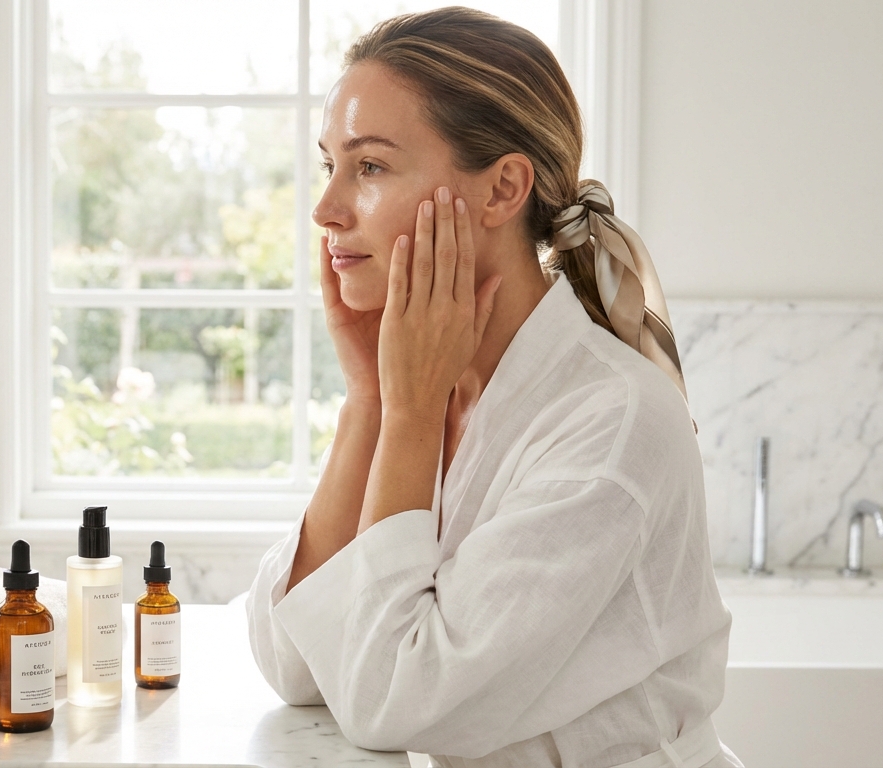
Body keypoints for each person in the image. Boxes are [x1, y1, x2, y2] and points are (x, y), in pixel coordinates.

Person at [245, 8, 742, 768]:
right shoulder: (430, 391)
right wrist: (369, 406)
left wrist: (406, 416)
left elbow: (390, 703)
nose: (326, 208)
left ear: (504, 187)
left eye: (370, 167)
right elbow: (297, 666)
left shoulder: (611, 422)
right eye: (329, 165)